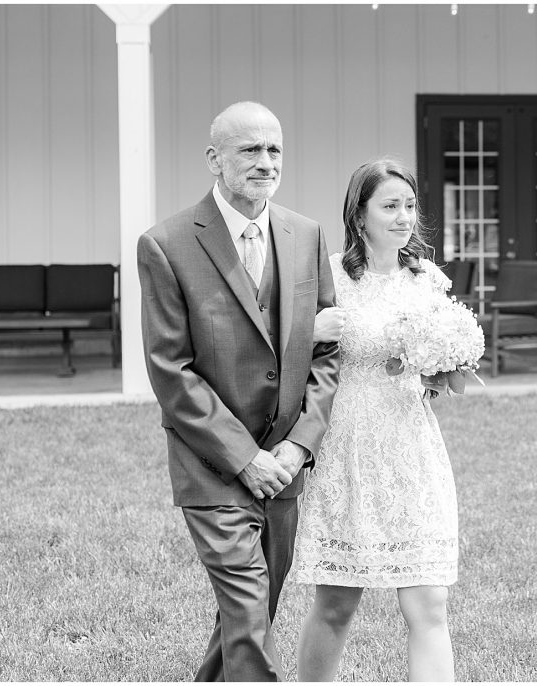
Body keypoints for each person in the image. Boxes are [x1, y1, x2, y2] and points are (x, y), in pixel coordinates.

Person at [136, 101, 343, 681]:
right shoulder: (167, 244)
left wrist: (298, 447)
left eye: (274, 149)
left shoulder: (306, 235)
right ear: (215, 159)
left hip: (284, 466)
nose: (265, 162)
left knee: (249, 616)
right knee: (250, 618)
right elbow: (170, 370)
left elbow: (328, 353)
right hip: (213, 465)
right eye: (249, 149)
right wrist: (244, 458)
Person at [292, 159, 458, 681]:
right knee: (338, 602)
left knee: (429, 603)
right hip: (349, 445)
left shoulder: (427, 278)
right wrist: (309, 330)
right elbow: (281, 358)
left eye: (409, 205)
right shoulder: (331, 277)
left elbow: (440, 361)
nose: (404, 216)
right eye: (390, 206)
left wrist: (444, 363)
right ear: (359, 215)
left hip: (411, 445)